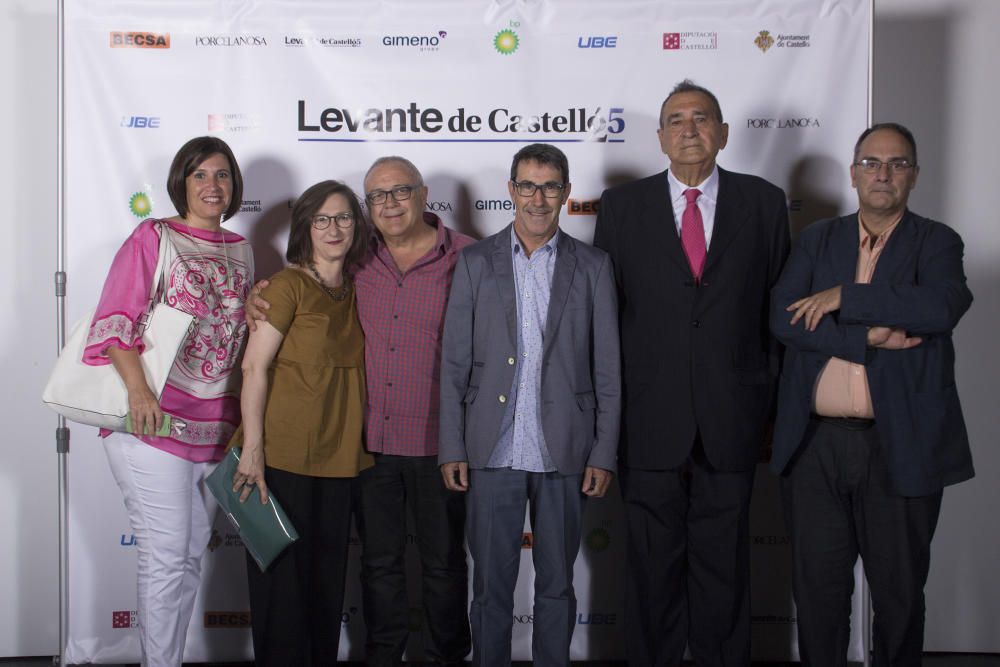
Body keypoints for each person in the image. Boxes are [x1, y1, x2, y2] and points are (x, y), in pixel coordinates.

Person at [593, 80, 790, 666]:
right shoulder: (622, 206)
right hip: (648, 421)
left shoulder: (763, 201)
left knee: (725, 565)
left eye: (701, 118)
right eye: (675, 120)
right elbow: (608, 318)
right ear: (658, 137)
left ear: (723, 133)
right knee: (651, 567)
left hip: (733, 417)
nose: (688, 128)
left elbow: (775, 311)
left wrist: (770, 410)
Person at [246, 157, 473, 664]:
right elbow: (285, 314)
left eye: (401, 192)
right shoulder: (356, 261)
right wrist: (255, 297)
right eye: (378, 197)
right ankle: (383, 656)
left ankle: (446, 657)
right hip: (368, 447)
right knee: (378, 564)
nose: (390, 204)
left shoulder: (469, 258)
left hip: (439, 442)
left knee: (443, 564)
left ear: (423, 193)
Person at [769, 122, 974, 666]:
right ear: (855, 173)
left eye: (897, 164)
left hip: (899, 447)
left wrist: (843, 297)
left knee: (899, 596)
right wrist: (865, 337)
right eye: (872, 163)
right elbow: (784, 319)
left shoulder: (937, 241)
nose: (883, 174)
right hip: (816, 448)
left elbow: (939, 308)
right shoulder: (817, 240)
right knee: (817, 595)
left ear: (914, 175)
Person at [438, 143, 621, 667]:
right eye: (527, 186)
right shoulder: (474, 263)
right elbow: (454, 362)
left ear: (566, 193)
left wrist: (603, 453)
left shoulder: (594, 267)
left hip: (565, 448)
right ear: (511, 191)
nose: (537, 198)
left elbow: (608, 370)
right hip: (491, 449)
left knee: (557, 586)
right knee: (489, 588)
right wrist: (452, 444)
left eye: (549, 186)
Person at [84, 136, 253, 666]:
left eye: (221, 175)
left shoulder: (242, 249)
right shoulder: (152, 236)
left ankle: (167, 660)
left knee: (184, 560)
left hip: (214, 431)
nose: (211, 185)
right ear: (181, 181)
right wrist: (139, 393)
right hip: (153, 423)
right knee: (164, 556)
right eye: (200, 174)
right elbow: (115, 322)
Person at [232, 180, 375, 664]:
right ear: (305, 228)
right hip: (282, 458)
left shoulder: (358, 289)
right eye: (322, 219)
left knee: (324, 584)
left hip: (340, 458)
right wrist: (254, 449)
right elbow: (254, 367)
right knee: (281, 587)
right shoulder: (287, 286)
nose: (334, 229)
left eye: (344, 218)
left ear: (357, 227)